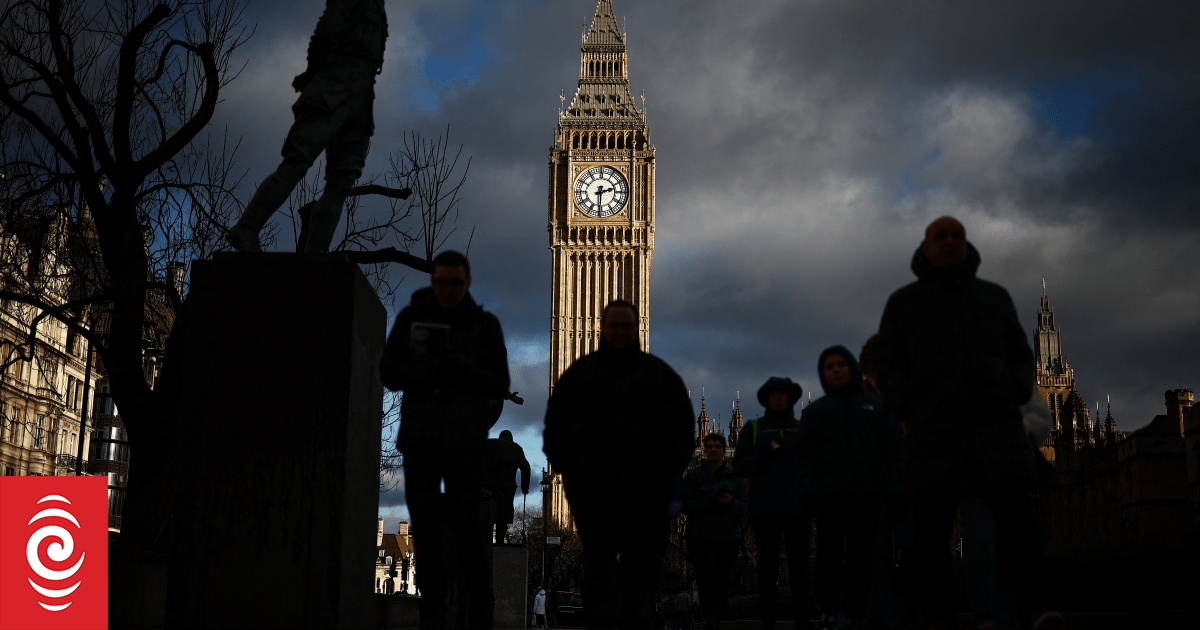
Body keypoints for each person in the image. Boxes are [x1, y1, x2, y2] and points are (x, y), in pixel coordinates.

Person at [875, 216, 1052, 630]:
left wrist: (1012, 389)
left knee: (1016, 528)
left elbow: (1020, 354)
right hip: (935, 434)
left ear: (967, 244)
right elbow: (888, 365)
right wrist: (909, 407)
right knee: (930, 538)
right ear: (925, 246)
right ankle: (941, 619)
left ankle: (1034, 611)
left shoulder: (994, 296)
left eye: (958, 235)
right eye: (941, 236)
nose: (951, 241)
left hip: (994, 431)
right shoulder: (903, 302)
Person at [543, 300, 695, 630]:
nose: (621, 331)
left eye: (627, 325)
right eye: (614, 325)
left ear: (637, 328)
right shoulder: (580, 376)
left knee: (640, 581)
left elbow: (684, 432)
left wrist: (664, 475)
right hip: (595, 497)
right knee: (599, 575)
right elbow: (555, 429)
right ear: (603, 328)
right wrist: (574, 475)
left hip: (646, 497)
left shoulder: (659, 376)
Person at [380, 250, 510, 629]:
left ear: (466, 283)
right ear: (432, 282)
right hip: (421, 440)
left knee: (469, 531)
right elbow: (389, 372)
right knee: (426, 530)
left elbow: (499, 384)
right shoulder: (410, 318)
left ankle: (479, 612)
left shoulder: (485, 326)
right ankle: (433, 613)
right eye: (441, 281)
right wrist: (428, 370)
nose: (449, 289)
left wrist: (462, 367)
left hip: (465, 442)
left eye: (456, 282)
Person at [226, 0, 390, 253]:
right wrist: (314, 74)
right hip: (332, 89)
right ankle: (247, 228)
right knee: (297, 161)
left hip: (361, 100)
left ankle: (316, 255)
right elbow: (325, 32)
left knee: (341, 182)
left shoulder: (378, 6)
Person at [797, 346, 903, 629]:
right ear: (822, 374)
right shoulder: (816, 412)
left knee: (862, 556)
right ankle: (829, 611)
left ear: (851, 368)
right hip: (829, 497)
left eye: (840, 364)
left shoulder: (874, 405)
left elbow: (894, 450)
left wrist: (894, 489)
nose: (835, 370)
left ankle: (858, 613)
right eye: (829, 366)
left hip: (867, 494)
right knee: (828, 557)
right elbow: (804, 457)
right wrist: (808, 492)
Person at [732, 376, 811, 630]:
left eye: (783, 393)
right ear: (766, 398)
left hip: (796, 509)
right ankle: (768, 623)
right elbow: (739, 466)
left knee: (799, 568)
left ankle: (801, 620)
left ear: (790, 398)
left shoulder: (800, 429)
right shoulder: (754, 430)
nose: (778, 397)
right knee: (767, 569)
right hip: (764, 509)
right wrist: (762, 457)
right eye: (773, 393)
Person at [682, 433, 747, 630]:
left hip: (728, 536)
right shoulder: (694, 476)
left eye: (716, 446)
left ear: (724, 449)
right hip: (701, 536)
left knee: (724, 579)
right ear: (704, 448)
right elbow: (683, 505)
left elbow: (746, 508)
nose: (712, 450)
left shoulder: (735, 477)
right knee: (706, 577)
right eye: (708, 446)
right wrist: (706, 502)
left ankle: (717, 615)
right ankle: (711, 618)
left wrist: (731, 503)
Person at [484, 430, 531, 544]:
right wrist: (524, 487)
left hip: (488, 484)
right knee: (503, 513)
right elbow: (526, 468)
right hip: (506, 486)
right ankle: (499, 539)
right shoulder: (516, 448)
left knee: (487, 511)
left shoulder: (488, 444)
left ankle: (486, 539)